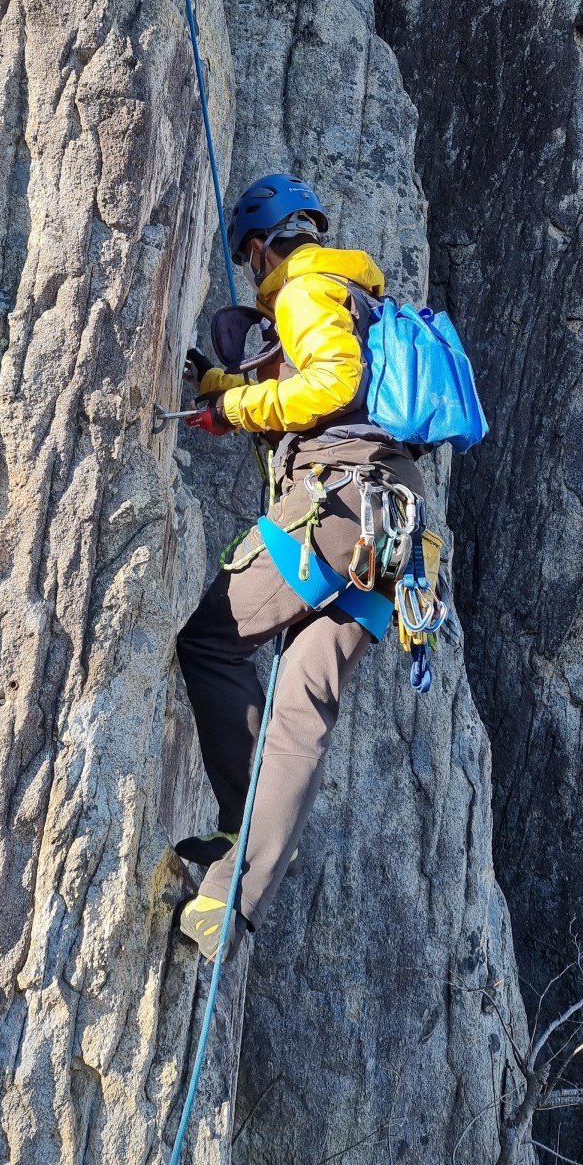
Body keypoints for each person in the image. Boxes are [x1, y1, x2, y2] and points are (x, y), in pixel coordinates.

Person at [175, 173, 425, 960]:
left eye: (251, 257)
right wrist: (218, 389)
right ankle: (231, 902)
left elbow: (330, 383)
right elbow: (300, 378)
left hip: (338, 506)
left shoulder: (305, 290)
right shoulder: (358, 293)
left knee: (213, 638)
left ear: (259, 247)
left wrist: (235, 408)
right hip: (395, 528)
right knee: (303, 702)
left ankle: (236, 828)